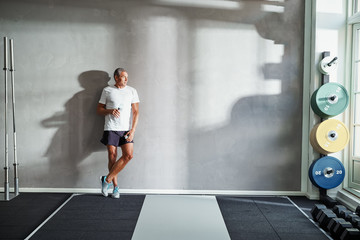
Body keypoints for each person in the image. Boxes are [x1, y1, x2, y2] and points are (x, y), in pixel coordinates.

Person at [96, 68, 139, 198]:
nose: (126, 79)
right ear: (116, 77)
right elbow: (99, 110)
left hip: (126, 129)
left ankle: (107, 180)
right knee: (112, 156)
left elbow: (136, 112)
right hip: (111, 128)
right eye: (123, 77)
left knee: (128, 156)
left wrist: (133, 130)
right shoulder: (107, 90)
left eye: (127, 77)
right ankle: (115, 188)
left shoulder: (132, 91)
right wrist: (110, 111)